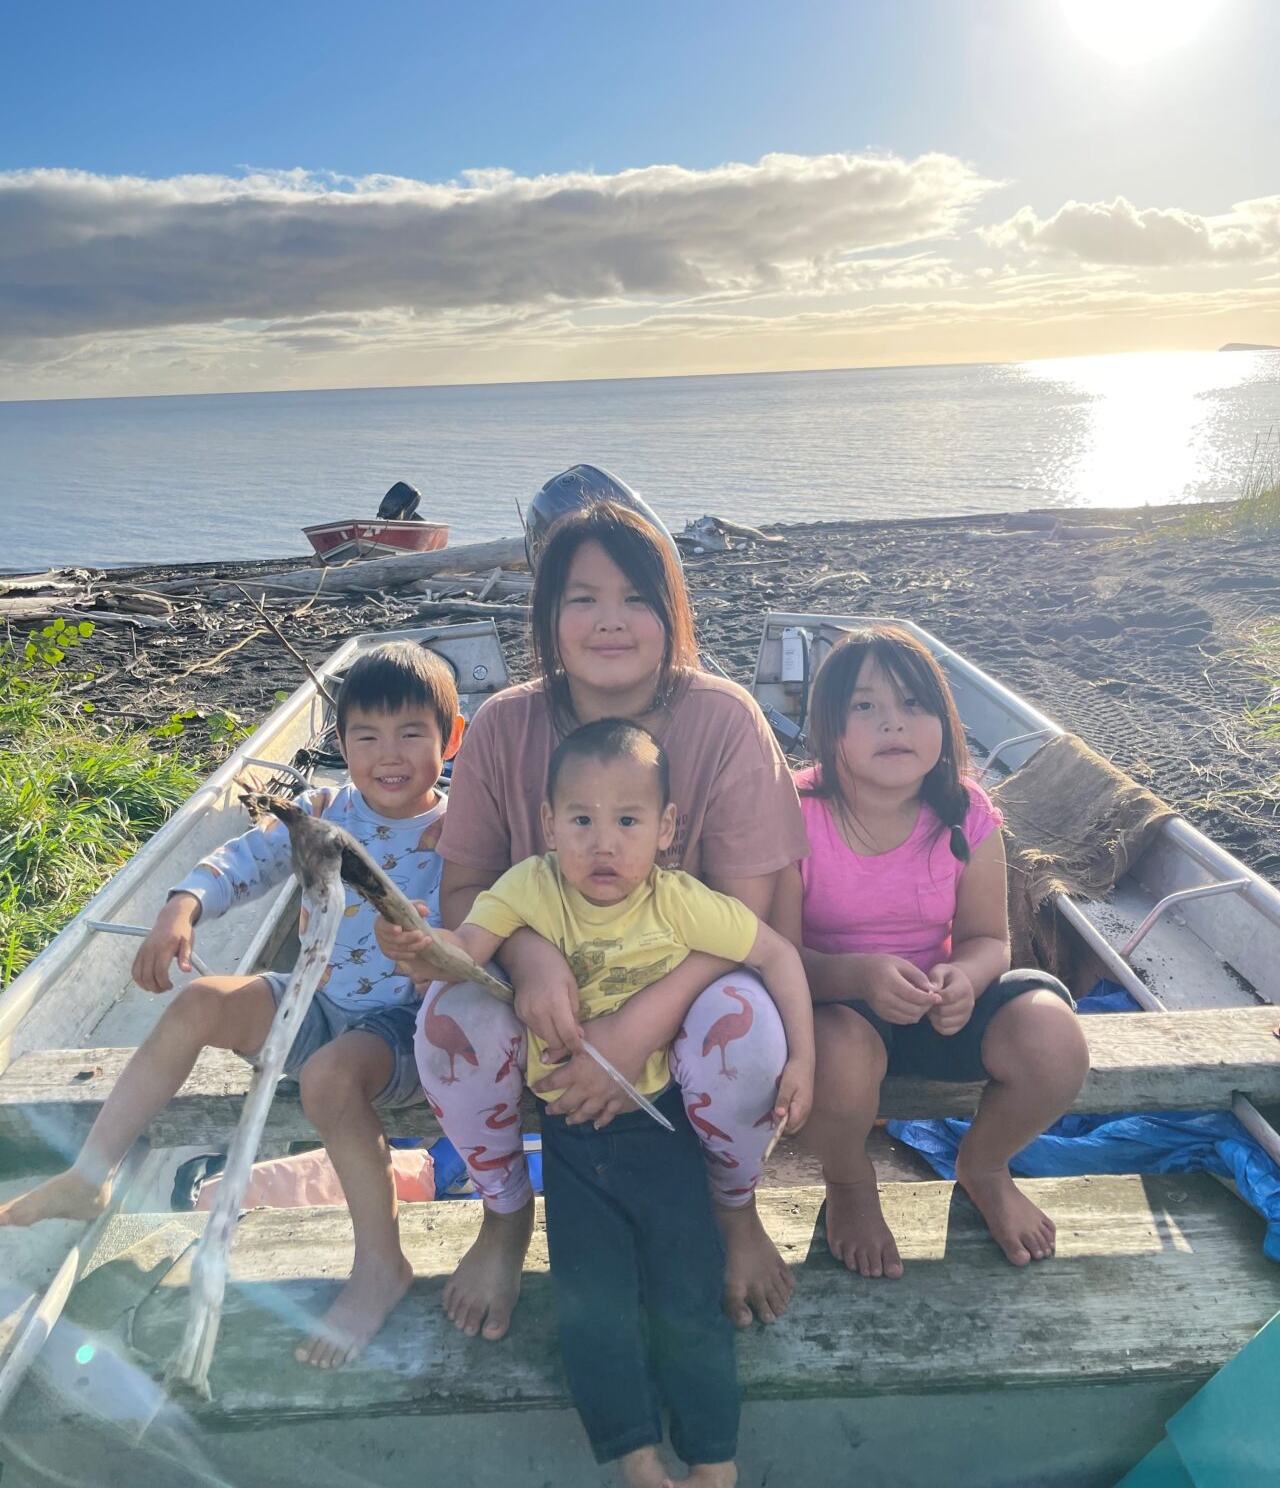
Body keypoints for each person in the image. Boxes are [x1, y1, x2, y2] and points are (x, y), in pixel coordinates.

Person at [376, 500, 811, 1341]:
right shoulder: (506, 723)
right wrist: (533, 957)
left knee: (747, 1030)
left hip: (692, 977)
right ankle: (504, 1212)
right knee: (447, 1019)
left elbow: (751, 920)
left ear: (672, 612)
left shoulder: (724, 719)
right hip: (545, 1002)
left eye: (636, 597)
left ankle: (734, 1208)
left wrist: (633, 1028)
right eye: (582, 597)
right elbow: (466, 889)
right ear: (547, 616)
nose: (610, 620)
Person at [0, 641, 463, 1368]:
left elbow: (498, 912)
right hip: (313, 996)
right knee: (200, 1002)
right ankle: (92, 1175)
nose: (389, 754)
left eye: (412, 733)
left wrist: (438, 941)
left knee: (329, 1078)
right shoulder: (324, 809)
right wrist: (181, 906)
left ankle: (381, 1262)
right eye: (365, 736)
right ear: (340, 744)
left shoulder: (460, 828)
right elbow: (244, 861)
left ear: (451, 738)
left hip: (402, 1025)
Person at [410, 717, 814, 1488]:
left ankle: (714, 1456)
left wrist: (805, 1056)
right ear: (547, 824)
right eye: (582, 820)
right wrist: (425, 946)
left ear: (666, 829)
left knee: (688, 1288)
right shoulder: (529, 885)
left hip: (663, 1134)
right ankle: (635, 1455)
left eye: (627, 820)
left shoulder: (681, 902)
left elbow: (776, 954)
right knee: (591, 1301)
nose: (603, 842)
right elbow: (471, 944)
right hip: (570, 1139)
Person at [772, 625, 1090, 1278]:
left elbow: (989, 941)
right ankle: (850, 1180)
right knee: (832, 1059)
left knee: (1055, 1039)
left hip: (936, 1009)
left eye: (915, 703)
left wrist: (964, 980)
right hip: (836, 1012)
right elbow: (775, 955)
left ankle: (984, 1164)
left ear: (945, 721)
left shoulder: (964, 812)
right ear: (828, 729)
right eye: (865, 706)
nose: (894, 721)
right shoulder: (794, 811)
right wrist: (858, 974)